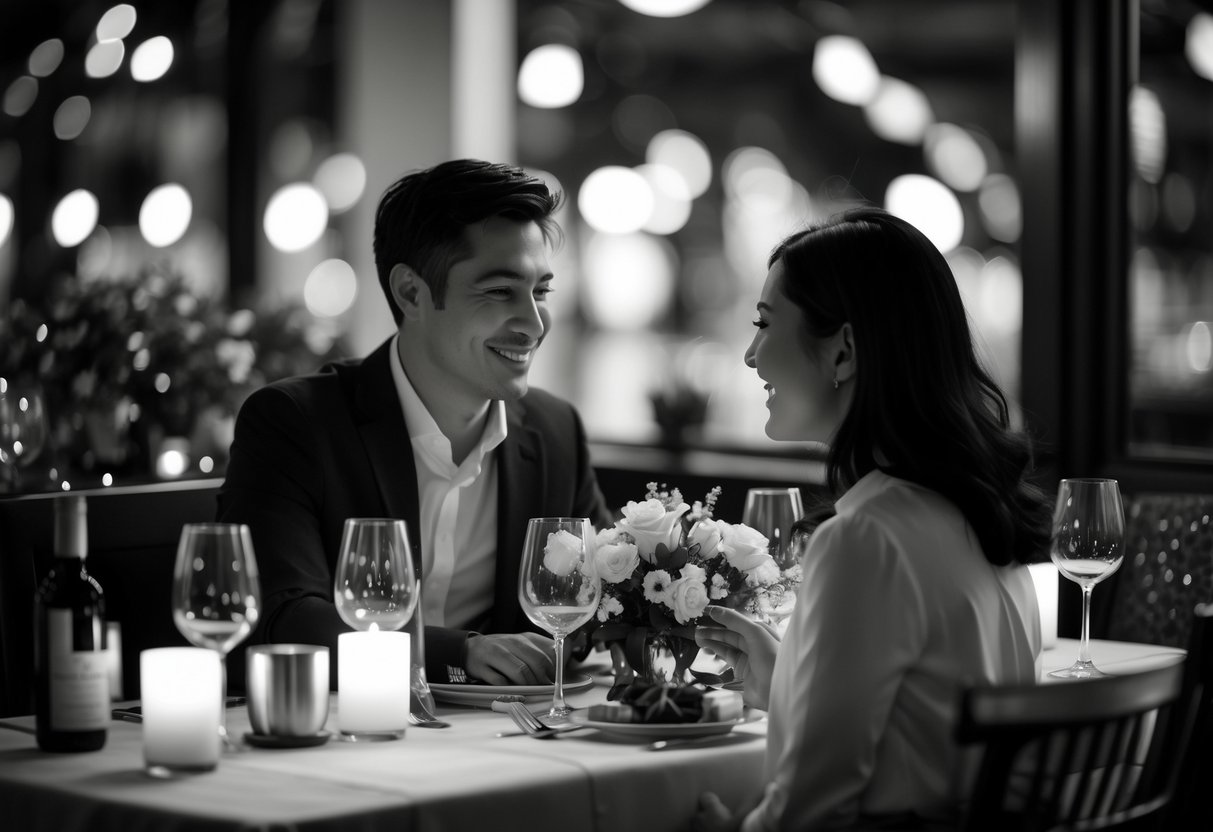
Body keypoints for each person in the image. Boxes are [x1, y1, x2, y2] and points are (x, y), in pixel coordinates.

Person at [693, 206, 1052, 831]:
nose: (750, 356)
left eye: (765, 324)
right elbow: (923, 726)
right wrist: (786, 678)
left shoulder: (865, 539)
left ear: (844, 351)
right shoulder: (979, 511)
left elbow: (808, 812)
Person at [217, 159, 612, 689]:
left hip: (509, 729)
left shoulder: (554, 430)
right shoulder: (294, 423)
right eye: (500, 291)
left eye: (540, 291)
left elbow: (605, 596)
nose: (534, 325)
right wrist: (460, 653)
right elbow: (285, 615)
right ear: (410, 292)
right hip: (344, 727)